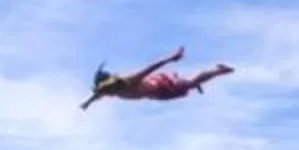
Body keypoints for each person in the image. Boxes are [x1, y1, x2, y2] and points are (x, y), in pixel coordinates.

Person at [83, 46, 234, 108]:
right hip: (162, 91)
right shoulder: (112, 89)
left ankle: (219, 71)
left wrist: (171, 58)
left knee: (193, 81)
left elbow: (150, 67)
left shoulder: (125, 83)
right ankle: (215, 73)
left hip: (162, 87)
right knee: (192, 83)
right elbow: (97, 94)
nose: (105, 95)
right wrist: (87, 103)